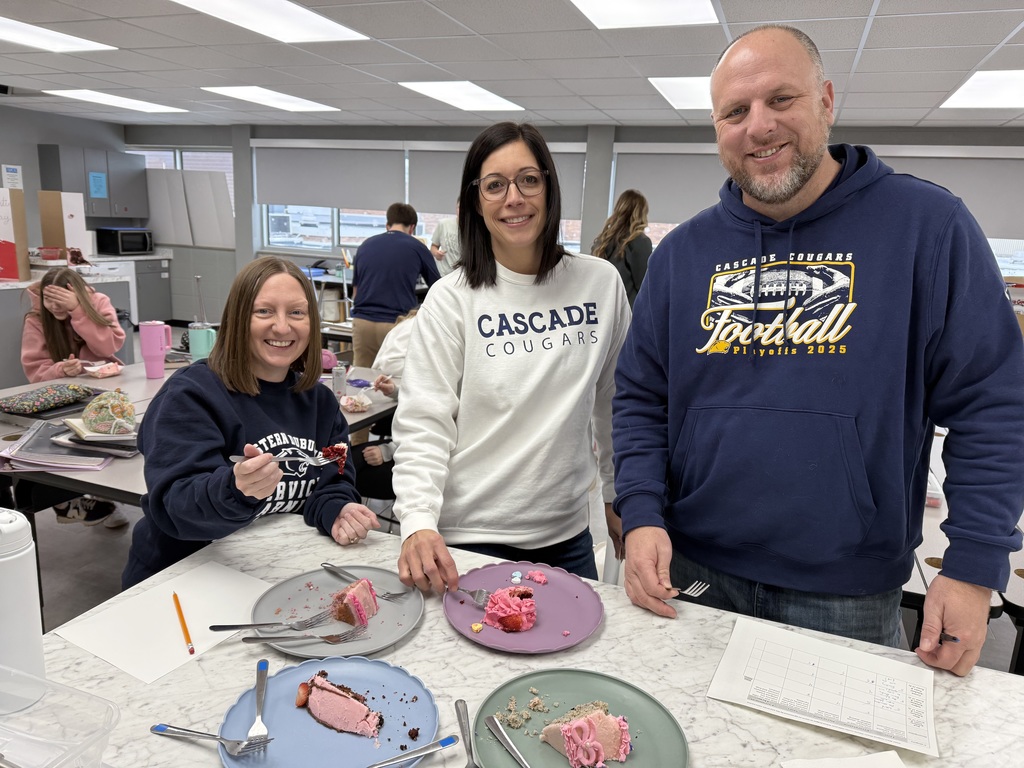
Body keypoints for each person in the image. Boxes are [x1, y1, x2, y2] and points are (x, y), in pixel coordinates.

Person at [610, 23, 1024, 676]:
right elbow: (640, 395)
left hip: (844, 588)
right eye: (735, 112)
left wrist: (974, 565)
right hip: (692, 566)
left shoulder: (927, 226)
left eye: (781, 100)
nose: (759, 126)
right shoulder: (682, 254)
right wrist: (640, 513)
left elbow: (994, 403)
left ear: (826, 100)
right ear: (717, 128)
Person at [392, 121, 631, 595]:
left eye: (528, 179)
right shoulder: (452, 299)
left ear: (548, 188)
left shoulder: (600, 284)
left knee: (568, 663)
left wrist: (618, 492)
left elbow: (615, 405)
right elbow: (424, 422)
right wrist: (417, 520)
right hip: (469, 540)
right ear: (476, 202)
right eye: (495, 185)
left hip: (567, 539)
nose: (514, 198)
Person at [122, 257, 379, 589]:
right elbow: (175, 506)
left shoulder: (321, 403)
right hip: (181, 578)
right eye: (265, 311)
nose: (283, 327)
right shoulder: (191, 395)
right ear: (238, 318)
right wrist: (235, 489)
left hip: (270, 575)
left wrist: (338, 509)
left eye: (297, 313)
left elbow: (333, 481)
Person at [19, 266, 128, 528]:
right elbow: (34, 371)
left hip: (104, 389)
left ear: (75, 293)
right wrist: (59, 370)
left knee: (110, 435)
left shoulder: (98, 303)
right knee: (66, 442)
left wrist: (78, 312)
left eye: (61, 301)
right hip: (63, 399)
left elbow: (109, 346)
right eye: (49, 300)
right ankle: (76, 500)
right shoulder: (36, 319)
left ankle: (102, 495)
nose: (55, 307)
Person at [351, 202, 440, 371]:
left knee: (360, 380)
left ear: (387, 224)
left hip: (363, 323)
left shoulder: (365, 245)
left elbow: (355, 290)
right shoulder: (418, 247)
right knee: (393, 382)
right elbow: (438, 288)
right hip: (395, 326)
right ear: (412, 227)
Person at [350, 310, 417, 504]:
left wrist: (388, 450)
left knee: (341, 469)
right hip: (405, 448)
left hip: (418, 462)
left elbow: (442, 435)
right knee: (340, 463)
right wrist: (395, 391)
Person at [590, 189, 652, 307]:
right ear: (641, 214)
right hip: (627, 316)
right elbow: (645, 288)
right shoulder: (640, 242)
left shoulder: (601, 242)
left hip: (602, 311)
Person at [430, 198, 461, 276]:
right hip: (444, 274)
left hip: (463, 275)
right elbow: (433, 246)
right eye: (459, 208)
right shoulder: (444, 224)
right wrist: (437, 253)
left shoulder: (475, 229)